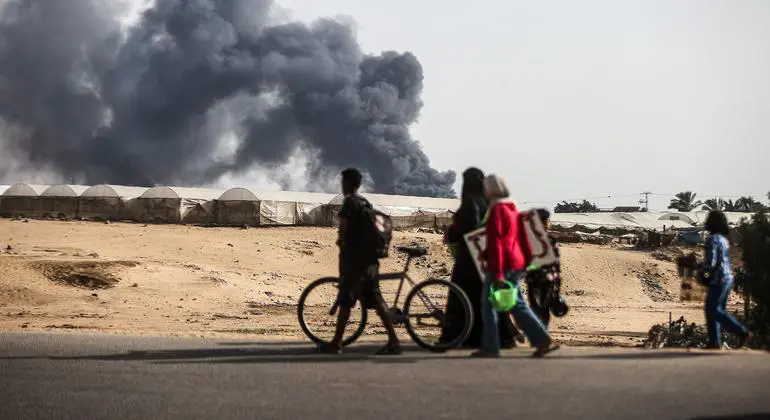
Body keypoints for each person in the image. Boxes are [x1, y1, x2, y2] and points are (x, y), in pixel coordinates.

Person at [472, 174, 559, 358]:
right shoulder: (513, 208)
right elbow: (520, 238)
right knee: (516, 304)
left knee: (488, 305)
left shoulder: (497, 211)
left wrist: (497, 273)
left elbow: (497, 243)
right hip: (516, 263)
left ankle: (491, 347)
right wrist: (525, 261)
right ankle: (542, 339)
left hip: (503, 265)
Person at [318, 168, 402, 355]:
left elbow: (344, 227)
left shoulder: (349, 202)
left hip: (356, 262)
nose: (342, 185)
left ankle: (336, 343)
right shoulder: (365, 202)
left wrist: (341, 241)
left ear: (348, 183)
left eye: (343, 182)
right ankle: (394, 340)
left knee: (346, 300)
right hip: (370, 261)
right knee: (377, 301)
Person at [440, 167, 522, 348]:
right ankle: (499, 337)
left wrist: (452, 232)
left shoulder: (471, 202)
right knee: (484, 299)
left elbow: (469, 229)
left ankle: (459, 336)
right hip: (484, 258)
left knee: (462, 299)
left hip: (468, 260)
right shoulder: (488, 203)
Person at [701, 211, 751, 349]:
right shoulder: (723, 239)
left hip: (718, 279)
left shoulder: (712, 239)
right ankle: (714, 342)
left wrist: (701, 271)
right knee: (715, 310)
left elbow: (711, 262)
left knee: (713, 310)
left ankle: (742, 332)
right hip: (728, 278)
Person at [525, 209, 561, 328]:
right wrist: (557, 280)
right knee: (544, 308)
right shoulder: (551, 240)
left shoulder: (530, 239)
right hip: (548, 279)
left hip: (534, 279)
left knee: (535, 307)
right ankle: (542, 331)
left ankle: (538, 332)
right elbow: (556, 263)